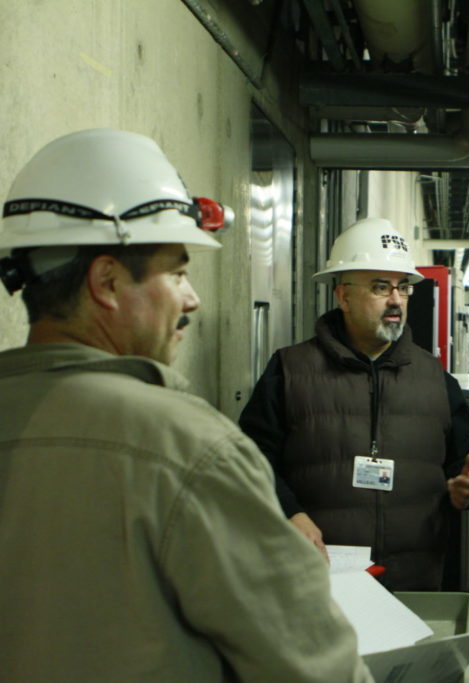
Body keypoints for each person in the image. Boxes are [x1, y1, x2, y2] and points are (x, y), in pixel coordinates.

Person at [0, 129, 370, 681]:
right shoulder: (188, 446)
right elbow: (315, 669)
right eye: (177, 272)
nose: (192, 298)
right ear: (106, 281)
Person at [239, 217, 469, 591]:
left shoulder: (436, 379)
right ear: (344, 297)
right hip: (318, 581)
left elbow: (467, 458)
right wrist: (290, 512)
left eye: (403, 288)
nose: (396, 300)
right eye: (380, 287)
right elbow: (249, 459)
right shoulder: (291, 371)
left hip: (414, 582)